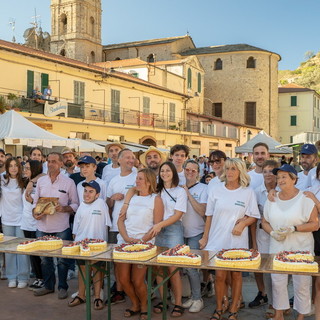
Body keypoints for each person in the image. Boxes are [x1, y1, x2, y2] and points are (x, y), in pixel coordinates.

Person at [200, 158, 260, 320]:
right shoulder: (216, 189)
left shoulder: (247, 192)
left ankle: (234, 308)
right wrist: (205, 237)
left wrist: (243, 223)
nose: (230, 172)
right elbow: (209, 215)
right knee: (219, 276)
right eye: (227, 169)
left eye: (234, 169)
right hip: (217, 239)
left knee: (236, 275)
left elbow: (254, 216)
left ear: (240, 171)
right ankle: (219, 307)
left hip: (237, 242)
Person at [262, 164, 318, 320]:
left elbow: (315, 224)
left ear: (294, 179)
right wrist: (272, 232)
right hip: (278, 247)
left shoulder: (305, 198)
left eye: (284, 176)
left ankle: (300, 316)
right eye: (278, 177)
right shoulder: (272, 198)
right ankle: (279, 314)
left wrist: (294, 228)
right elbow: (264, 221)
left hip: (302, 249)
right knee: (278, 283)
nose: (280, 180)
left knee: (302, 284)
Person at [117, 169, 164, 319]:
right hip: (124, 243)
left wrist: (140, 241)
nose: (136, 181)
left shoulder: (155, 199)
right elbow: (120, 220)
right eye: (137, 178)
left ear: (149, 182)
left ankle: (144, 306)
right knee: (123, 279)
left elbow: (156, 226)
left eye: (140, 179)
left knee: (137, 280)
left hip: (144, 245)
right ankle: (135, 303)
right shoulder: (131, 197)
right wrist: (125, 238)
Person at [32, 152, 79, 299]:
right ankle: (48, 286)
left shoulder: (68, 182)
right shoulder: (41, 181)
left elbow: (76, 204)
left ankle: (62, 287)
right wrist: (35, 213)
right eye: (49, 161)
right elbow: (35, 204)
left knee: (62, 260)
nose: (50, 164)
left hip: (61, 227)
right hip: (42, 226)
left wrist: (63, 208)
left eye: (54, 161)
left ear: (60, 164)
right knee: (45, 260)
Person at [151, 161, 187, 318]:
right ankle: (163, 299)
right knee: (159, 268)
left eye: (167, 170)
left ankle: (178, 303)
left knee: (173, 269)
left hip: (173, 230)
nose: (164, 173)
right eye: (162, 171)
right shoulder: (157, 190)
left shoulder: (180, 191)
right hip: (158, 230)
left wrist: (160, 225)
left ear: (173, 172)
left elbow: (178, 215)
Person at [68, 180, 111, 310]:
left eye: (91, 191)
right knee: (82, 270)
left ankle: (97, 297)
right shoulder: (81, 206)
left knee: (97, 271)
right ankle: (81, 295)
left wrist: (104, 244)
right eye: (85, 191)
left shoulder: (102, 205)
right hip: (81, 244)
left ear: (97, 194)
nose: (87, 194)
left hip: (98, 246)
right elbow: (75, 230)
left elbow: (107, 226)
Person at [106, 148, 137, 304]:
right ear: (118, 160)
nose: (131, 160)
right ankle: (119, 291)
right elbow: (109, 204)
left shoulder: (138, 176)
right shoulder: (113, 180)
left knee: (134, 262)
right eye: (127, 157)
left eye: (133, 158)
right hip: (115, 226)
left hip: (133, 226)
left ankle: (135, 291)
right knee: (118, 262)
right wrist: (112, 198)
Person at [249, 160, 278, 312]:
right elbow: (253, 220)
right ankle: (271, 305)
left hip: (281, 236)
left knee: (279, 271)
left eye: (271, 171)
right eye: (265, 171)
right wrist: (254, 243)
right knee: (266, 270)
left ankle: (281, 304)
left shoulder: (284, 190)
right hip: (262, 236)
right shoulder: (256, 192)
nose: (268, 174)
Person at [181, 160, 207, 313]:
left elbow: (202, 211)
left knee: (192, 268)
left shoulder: (204, 188)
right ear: (183, 170)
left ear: (199, 173)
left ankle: (198, 298)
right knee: (183, 268)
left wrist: (188, 193)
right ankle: (192, 295)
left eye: (194, 170)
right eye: (188, 169)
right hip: (179, 232)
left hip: (196, 233)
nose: (190, 172)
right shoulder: (178, 187)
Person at [0, 158, 29, 288]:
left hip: (21, 219)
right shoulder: (1, 180)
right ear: (7, 167)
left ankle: (23, 277)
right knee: (9, 250)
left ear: (19, 167)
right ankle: (12, 277)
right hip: (6, 219)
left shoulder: (24, 180)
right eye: (10, 166)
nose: (13, 168)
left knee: (22, 249)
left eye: (15, 165)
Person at [21, 160, 45, 290]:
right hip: (26, 223)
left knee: (40, 254)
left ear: (35, 169)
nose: (25, 170)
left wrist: (32, 201)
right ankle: (38, 277)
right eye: (25, 168)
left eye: (28, 168)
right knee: (31, 253)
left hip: (37, 224)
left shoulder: (41, 183)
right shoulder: (25, 182)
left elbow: (42, 204)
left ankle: (43, 279)